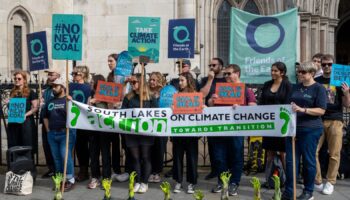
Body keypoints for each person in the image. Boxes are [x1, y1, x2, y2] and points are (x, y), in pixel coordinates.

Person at [208, 64, 256, 196]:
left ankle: (234, 183)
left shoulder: (246, 90)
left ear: (237, 73)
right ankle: (222, 181)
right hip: (220, 129)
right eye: (225, 74)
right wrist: (212, 100)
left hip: (237, 130)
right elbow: (210, 105)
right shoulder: (220, 89)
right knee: (219, 157)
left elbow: (253, 106)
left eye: (229, 74)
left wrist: (241, 108)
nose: (226, 76)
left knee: (236, 157)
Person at [282, 62, 327, 200]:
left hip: (310, 129)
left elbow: (321, 110)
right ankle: (289, 191)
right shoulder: (295, 87)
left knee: (308, 161)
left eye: (303, 72)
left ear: (312, 73)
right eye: (299, 72)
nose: (299, 74)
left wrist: (303, 110)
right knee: (291, 162)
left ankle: (308, 191)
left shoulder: (319, 88)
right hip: (293, 129)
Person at [314, 54, 350, 195]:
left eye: (329, 64)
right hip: (318, 119)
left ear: (333, 65)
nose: (326, 67)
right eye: (324, 64)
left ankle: (330, 181)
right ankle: (317, 180)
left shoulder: (341, 81)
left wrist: (346, 93)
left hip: (335, 119)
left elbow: (347, 105)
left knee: (334, 153)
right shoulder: (316, 81)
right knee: (313, 151)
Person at [121, 74, 158, 193]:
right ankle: (137, 181)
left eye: (135, 82)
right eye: (131, 83)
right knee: (135, 158)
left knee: (145, 157)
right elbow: (122, 112)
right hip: (132, 132)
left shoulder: (151, 97)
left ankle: (145, 182)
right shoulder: (128, 97)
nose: (132, 85)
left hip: (146, 133)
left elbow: (157, 113)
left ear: (141, 83)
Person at [260, 62, 292, 184]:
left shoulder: (288, 85)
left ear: (282, 73)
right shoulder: (267, 84)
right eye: (272, 70)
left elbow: (289, 103)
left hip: (282, 124)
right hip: (269, 124)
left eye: (275, 71)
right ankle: (269, 179)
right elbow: (262, 101)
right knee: (269, 153)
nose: (273, 73)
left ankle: (288, 181)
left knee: (283, 154)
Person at [43, 77, 76, 191]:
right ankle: (60, 179)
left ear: (63, 87)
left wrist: (70, 102)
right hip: (52, 134)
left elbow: (75, 116)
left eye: (56, 86)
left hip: (65, 133)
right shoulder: (50, 102)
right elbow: (45, 116)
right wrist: (48, 131)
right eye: (52, 86)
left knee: (65, 156)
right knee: (56, 158)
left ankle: (70, 180)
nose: (53, 88)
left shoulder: (68, 100)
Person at [199, 57, 227, 180]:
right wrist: (210, 80)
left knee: (225, 146)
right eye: (210, 65)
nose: (211, 67)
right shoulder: (206, 79)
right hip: (211, 117)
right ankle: (214, 170)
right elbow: (202, 95)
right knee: (212, 145)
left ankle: (226, 170)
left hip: (226, 116)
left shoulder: (227, 79)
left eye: (214, 65)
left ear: (221, 66)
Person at [172, 72, 199, 194]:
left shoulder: (194, 95)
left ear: (188, 81)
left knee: (192, 158)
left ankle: (191, 182)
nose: (180, 83)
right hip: (178, 133)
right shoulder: (176, 95)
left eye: (182, 80)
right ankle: (178, 181)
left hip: (191, 133)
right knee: (177, 158)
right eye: (179, 80)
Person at [106, 53, 130, 182]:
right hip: (112, 114)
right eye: (108, 61)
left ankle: (128, 170)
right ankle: (116, 169)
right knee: (114, 143)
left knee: (126, 143)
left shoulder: (125, 76)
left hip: (124, 114)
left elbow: (126, 95)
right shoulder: (109, 77)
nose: (109, 63)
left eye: (111, 61)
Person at [69, 65, 92, 182]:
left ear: (82, 75)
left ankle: (84, 170)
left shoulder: (88, 88)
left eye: (75, 73)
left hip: (84, 120)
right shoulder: (69, 86)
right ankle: (76, 170)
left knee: (83, 146)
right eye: (72, 74)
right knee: (77, 146)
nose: (73, 76)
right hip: (73, 119)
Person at [7, 71, 38, 152]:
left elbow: (35, 108)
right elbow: (11, 108)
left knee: (26, 144)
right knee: (15, 146)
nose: (17, 80)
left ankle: (27, 163)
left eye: (19, 78)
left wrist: (25, 115)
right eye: (15, 78)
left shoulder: (31, 92)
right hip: (13, 123)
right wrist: (8, 103)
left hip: (26, 122)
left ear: (24, 80)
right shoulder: (12, 92)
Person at [40, 67, 61, 178]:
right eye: (48, 75)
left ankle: (58, 170)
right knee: (46, 146)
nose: (49, 76)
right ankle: (51, 168)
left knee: (56, 147)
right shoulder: (46, 89)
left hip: (55, 121)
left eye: (51, 74)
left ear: (58, 76)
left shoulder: (60, 88)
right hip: (45, 120)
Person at [148, 71, 167, 183]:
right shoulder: (146, 91)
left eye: (154, 80)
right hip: (149, 125)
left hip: (161, 125)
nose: (151, 82)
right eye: (150, 79)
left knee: (160, 148)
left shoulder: (164, 93)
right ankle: (150, 171)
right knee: (150, 149)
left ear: (159, 81)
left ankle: (157, 172)